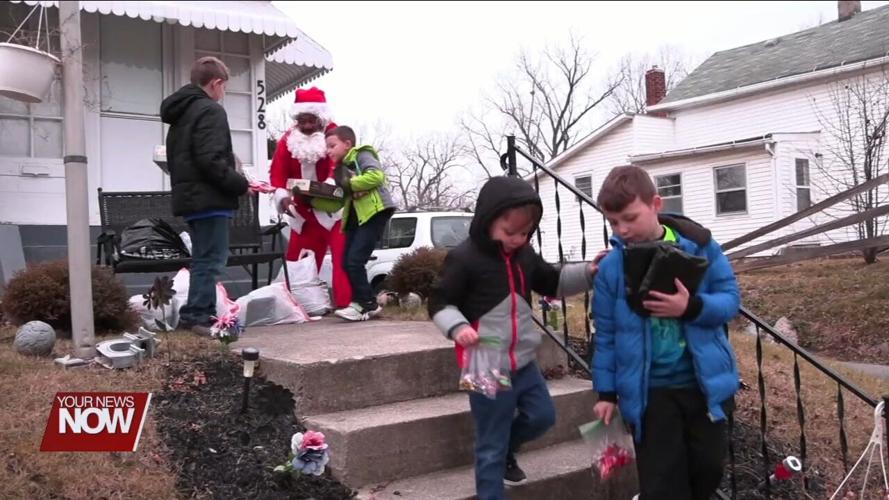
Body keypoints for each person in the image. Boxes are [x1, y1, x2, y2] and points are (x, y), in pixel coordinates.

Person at [427, 176, 604, 500]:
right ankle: (496, 468)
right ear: (486, 221)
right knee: (489, 445)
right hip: (483, 361)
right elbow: (439, 301)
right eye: (510, 232)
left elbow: (553, 281)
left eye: (525, 233)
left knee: (542, 417)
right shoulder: (464, 258)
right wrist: (458, 327)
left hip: (522, 360)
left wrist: (590, 273)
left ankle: (508, 448)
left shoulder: (524, 254)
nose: (518, 239)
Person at [590, 165, 740, 500]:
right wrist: (606, 392)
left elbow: (730, 300)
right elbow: (606, 335)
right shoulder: (611, 269)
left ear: (655, 204)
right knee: (662, 484)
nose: (623, 229)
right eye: (614, 222)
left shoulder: (699, 247)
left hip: (703, 386)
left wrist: (691, 308)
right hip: (650, 394)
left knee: (708, 469)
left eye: (630, 217)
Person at [161, 56, 248, 336]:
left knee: (203, 258)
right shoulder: (210, 111)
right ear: (216, 83)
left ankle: (197, 313)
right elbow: (210, 159)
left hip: (191, 196)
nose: (223, 94)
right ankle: (198, 315)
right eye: (225, 88)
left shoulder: (182, 113)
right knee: (211, 259)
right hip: (210, 199)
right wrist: (240, 183)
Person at [269, 87, 351, 310]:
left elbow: (342, 164)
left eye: (311, 120)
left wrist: (331, 183)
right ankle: (296, 307)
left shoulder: (336, 136)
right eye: (301, 120)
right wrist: (282, 196)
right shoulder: (287, 141)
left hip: (334, 211)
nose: (306, 126)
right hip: (303, 213)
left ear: (321, 119)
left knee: (342, 258)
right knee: (297, 262)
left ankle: (346, 305)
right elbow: (277, 173)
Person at [313, 125, 397, 321]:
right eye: (327, 147)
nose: (329, 151)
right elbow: (337, 202)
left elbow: (376, 176)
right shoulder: (340, 170)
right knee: (345, 262)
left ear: (347, 144)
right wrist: (311, 198)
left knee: (354, 260)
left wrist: (349, 184)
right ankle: (363, 302)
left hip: (374, 212)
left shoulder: (362, 154)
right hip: (355, 216)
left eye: (332, 145)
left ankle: (365, 304)